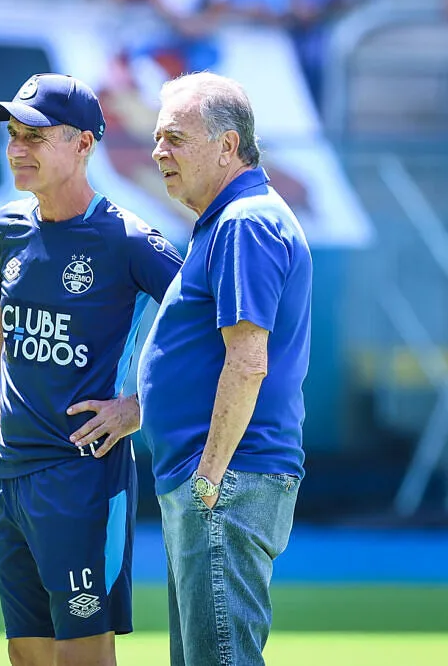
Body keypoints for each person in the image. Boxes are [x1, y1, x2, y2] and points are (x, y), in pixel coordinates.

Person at [0, 73, 183, 666]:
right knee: (26, 655)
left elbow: (212, 333)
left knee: (83, 659)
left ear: (84, 145)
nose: (18, 148)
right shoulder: (5, 229)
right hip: (11, 472)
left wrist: (138, 409)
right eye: (13, 134)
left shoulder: (130, 241)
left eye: (36, 136)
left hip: (82, 478)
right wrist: (5, 389)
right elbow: (3, 315)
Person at [138, 72, 310, 666]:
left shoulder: (244, 222)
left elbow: (248, 359)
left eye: (176, 138)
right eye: (158, 138)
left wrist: (208, 477)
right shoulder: (230, 220)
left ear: (227, 146)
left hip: (225, 479)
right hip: (217, 478)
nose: (159, 152)